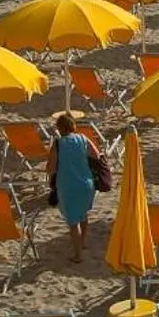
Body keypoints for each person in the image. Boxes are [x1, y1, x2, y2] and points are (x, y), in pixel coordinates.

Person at [49, 111, 99, 262]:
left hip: (68, 186)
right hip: (86, 184)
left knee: (73, 222)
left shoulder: (58, 144)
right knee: (83, 214)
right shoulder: (83, 139)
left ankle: (78, 256)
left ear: (59, 128)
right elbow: (97, 155)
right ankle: (82, 243)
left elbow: (50, 167)